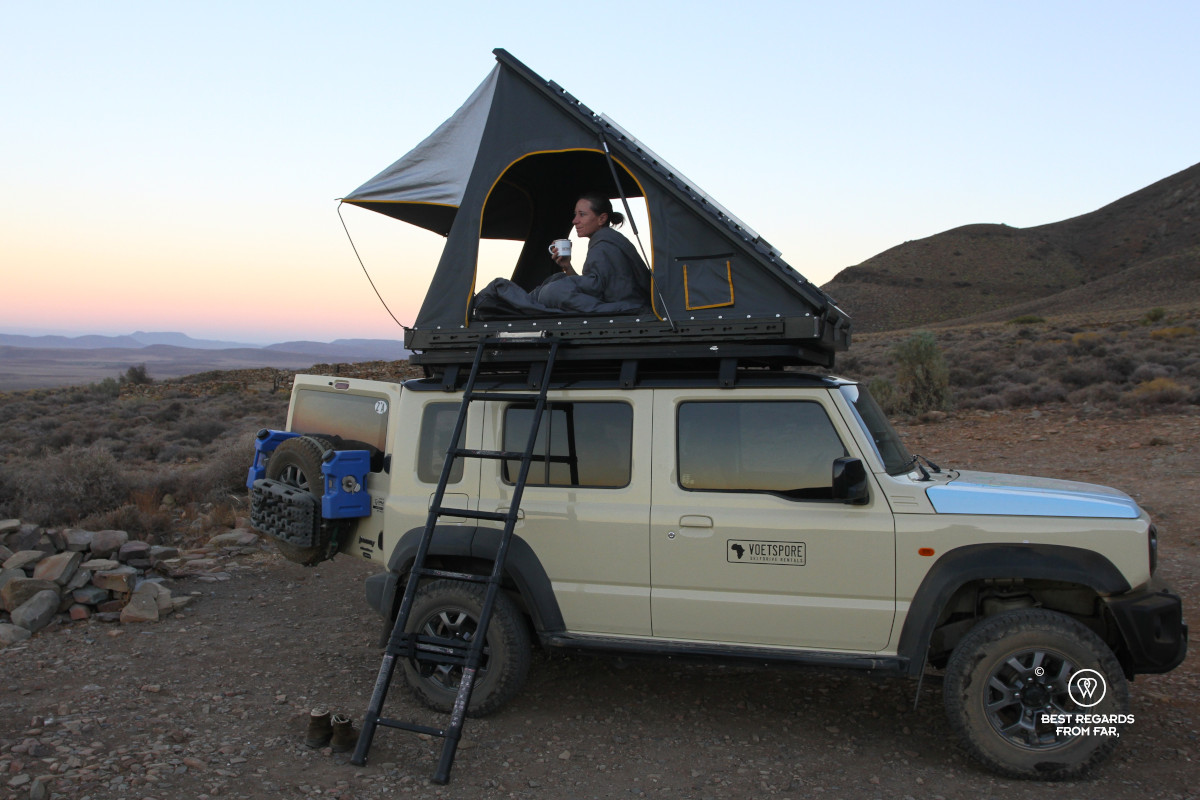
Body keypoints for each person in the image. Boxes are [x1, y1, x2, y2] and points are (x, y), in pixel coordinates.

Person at [471, 193, 651, 318]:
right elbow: (597, 285)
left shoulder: (604, 245)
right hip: (620, 303)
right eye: (575, 215)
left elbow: (596, 289)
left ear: (602, 218)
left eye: (582, 215)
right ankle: (516, 298)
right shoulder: (608, 241)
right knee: (556, 280)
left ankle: (493, 300)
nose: (575, 221)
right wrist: (566, 266)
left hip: (622, 306)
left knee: (554, 289)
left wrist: (560, 286)